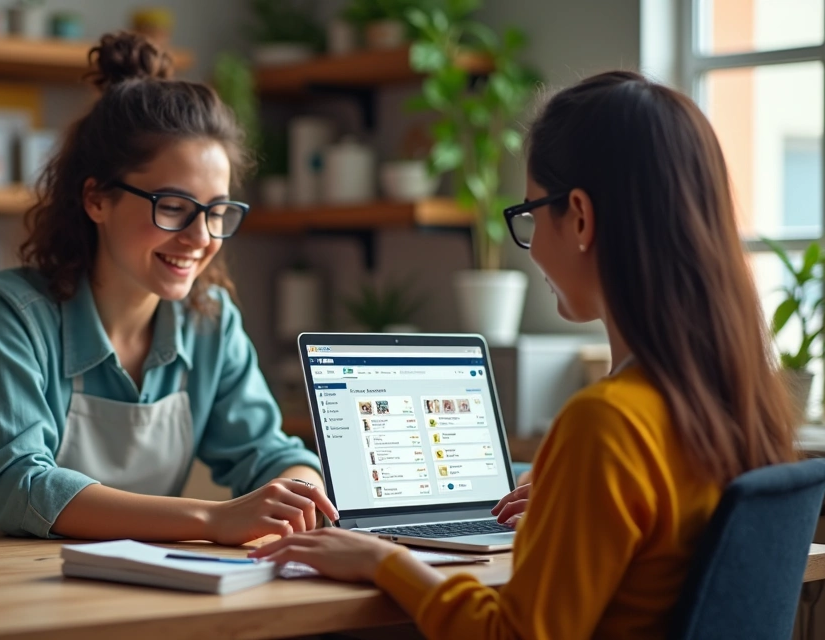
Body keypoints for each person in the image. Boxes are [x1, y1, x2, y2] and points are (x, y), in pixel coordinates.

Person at [249, 71, 799, 639]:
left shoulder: (609, 423)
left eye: (532, 214)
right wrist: (571, 506)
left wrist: (384, 561)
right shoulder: (736, 403)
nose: (532, 247)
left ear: (580, 217)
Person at [0, 32, 335, 544]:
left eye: (217, 211)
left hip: (120, 577)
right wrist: (212, 519)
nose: (201, 238)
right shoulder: (8, 313)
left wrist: (299, 492)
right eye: (173, 207)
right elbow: (20, 487)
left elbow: (272, 455)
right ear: (96, 200)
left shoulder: (211, 322)